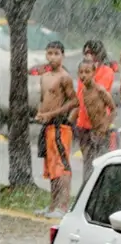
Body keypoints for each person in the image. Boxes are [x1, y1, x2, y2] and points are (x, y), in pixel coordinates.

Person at [33, 41, 77, 218]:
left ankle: (63, 206)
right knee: (51, 168)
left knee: (62, 167)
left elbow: (74, 102)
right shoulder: (44, 76)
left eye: (56, 53)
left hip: (60, 126)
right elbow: (43, 99)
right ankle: (52, 206)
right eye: (49, 53)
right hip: (47, 126)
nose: (52, 57)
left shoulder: (64, 77)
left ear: (63, 55)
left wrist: (52, 113)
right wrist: (40, 113)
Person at [73, 60, 115, 184]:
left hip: (102, 132)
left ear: (94, 73)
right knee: (87, 161)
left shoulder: (100, 90)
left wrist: (104, 127)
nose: (83, 75)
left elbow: (113, 110)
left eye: (87, 72)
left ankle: (104, 189)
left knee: (102, 163)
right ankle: (86, 188)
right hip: (87, 131)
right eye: (81, 72)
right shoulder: (83, 92)